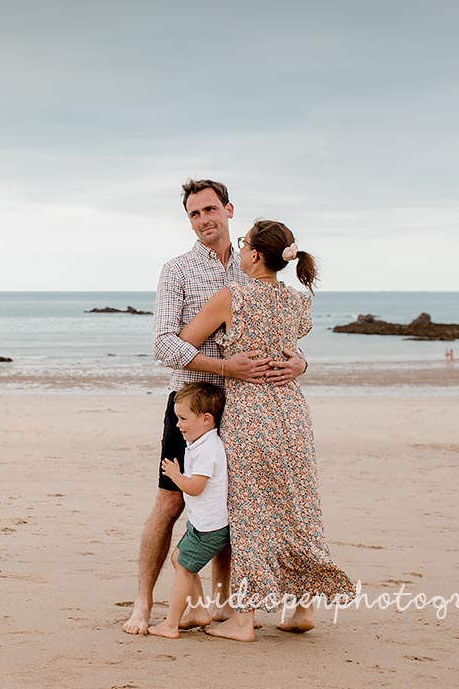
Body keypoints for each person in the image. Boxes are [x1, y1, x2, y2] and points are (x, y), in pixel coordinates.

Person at [122, 179, 308, 636]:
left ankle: (222, 608)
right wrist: (225, 366)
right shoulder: (178, 270)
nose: (203, 220)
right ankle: (143, 605)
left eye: (209, 210)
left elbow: (282, 337)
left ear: (228, 210)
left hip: (246, 408)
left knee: (235, 505)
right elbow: (164, 345)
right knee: (169, 503)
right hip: (190, 403)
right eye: (193, 214)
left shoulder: (255, 265)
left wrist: (301, 363)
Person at [178, 219, 354, 642]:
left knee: (250, 515)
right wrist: (299, 363)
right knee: (298, 507)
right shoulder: (298, 303)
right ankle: (301, 607)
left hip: (251, 412)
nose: (240, 250)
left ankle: (243, 621)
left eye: (243, 244)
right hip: (291, 413)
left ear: (255, 254)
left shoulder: (230, 297)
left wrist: (224, 359)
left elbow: (184, 343)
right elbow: (295, 348)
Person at [147, 382, 230, 639]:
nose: (178, 425)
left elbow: (195, 487)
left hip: (210, 528)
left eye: (183, 419)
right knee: (178, 559)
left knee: (184, 568)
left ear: (206, 420)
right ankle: (199, 612)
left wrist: (175, 475)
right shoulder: (200, 441)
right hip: (201, 524)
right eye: (177, 418)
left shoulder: (208, 449)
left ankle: (171, 624)